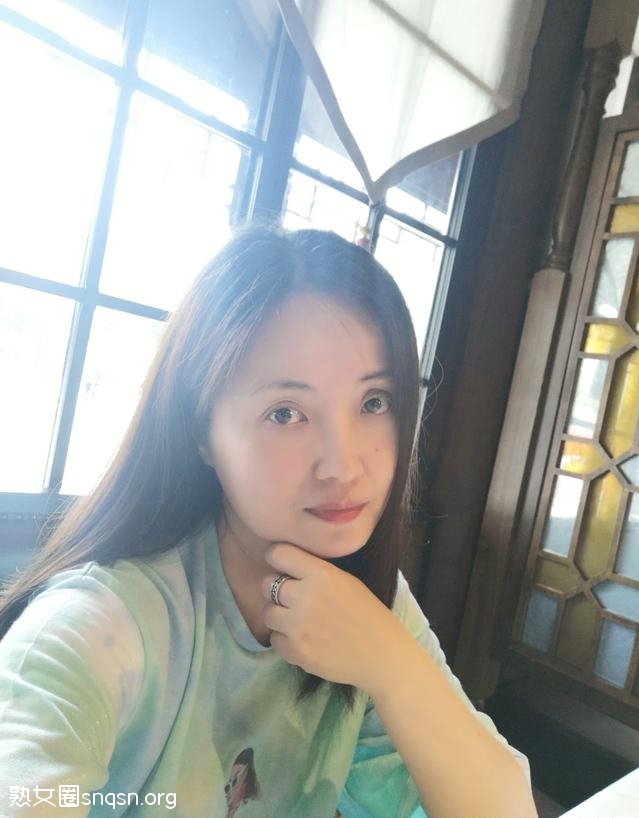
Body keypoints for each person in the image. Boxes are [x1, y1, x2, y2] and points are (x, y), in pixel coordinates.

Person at [0, 227, 538, 818]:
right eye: (286, 413)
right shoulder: (101, 626)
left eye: (373, 402)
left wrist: (393, 666)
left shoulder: (367, 605)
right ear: (202, 431)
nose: (343, 466)